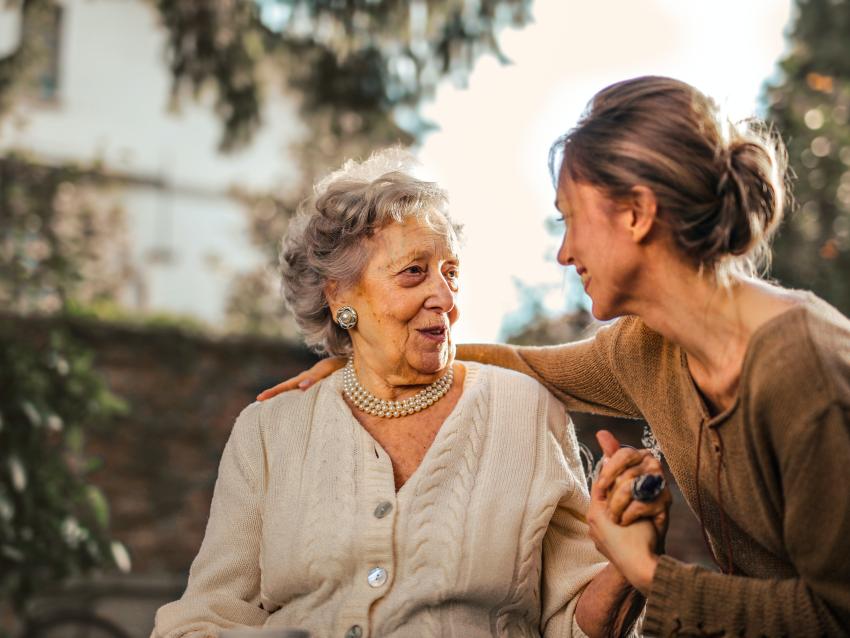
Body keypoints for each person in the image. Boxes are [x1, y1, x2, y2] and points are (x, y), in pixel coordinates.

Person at [258, 77, 850, 636]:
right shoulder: (648, 348)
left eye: (570, 219)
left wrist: (649, 574)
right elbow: (526, 364)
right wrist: (370, 355)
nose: (564, 253)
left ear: (637, 214)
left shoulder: (806, 370)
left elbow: (837, 614)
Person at [153, 150, 666, 637]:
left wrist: (627, 565)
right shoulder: (270, 430)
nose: (444, 298)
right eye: (414, 272)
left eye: (452, 274)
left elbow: (575, 624)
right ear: (340, 296)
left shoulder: (526, 412)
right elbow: (209, 613)